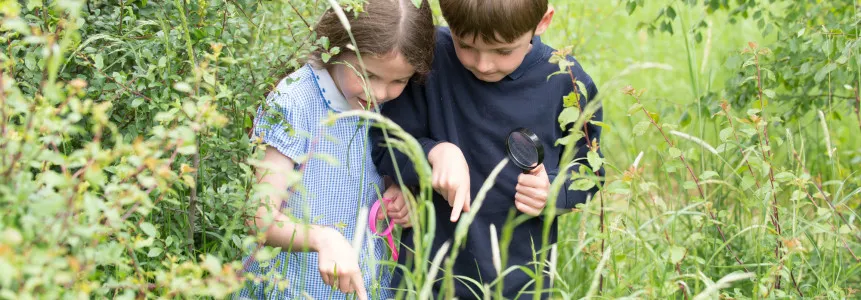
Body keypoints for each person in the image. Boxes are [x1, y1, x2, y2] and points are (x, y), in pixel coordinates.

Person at [371, 0, 603, 298]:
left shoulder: (564, 81)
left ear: (543, 22)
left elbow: (590, 169)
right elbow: (385, 144)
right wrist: (433, 153)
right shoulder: (430, 57)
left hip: (519, 282)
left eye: (503, 51)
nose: (483, 64)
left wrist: (553, 191)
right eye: (465, 45)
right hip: (428, 277)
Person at [237, 0, 435, 299]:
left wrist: (394, 190)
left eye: (399, 80)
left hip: (361, 282)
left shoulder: (385, 106)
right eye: (368, 75)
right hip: (291, 286)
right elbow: (259, 216)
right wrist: (322, 238)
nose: (379, 93)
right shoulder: (295, 102)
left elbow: (370, 169)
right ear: (337, 48)